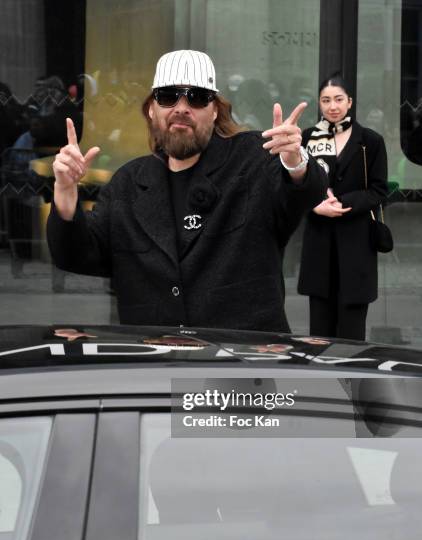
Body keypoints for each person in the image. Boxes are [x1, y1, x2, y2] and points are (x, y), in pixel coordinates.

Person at [47, 49, 327, 332]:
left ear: (215, 109)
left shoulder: (253, 158)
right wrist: (66, 194)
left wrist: (295, 161)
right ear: (151, 109)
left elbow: (303, 194)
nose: (182, 108)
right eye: (168, 97)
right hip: (157, 363)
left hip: (242, 365)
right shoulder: (127, 184)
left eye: (197, 97)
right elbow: (75, 254)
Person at [298, 75, 388, 341]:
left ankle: (351, 382)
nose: (332, 106)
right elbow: (294, 188)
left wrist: (343, 203)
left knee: (351, 336)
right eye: (326, 100)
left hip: (357, 244)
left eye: (338, 99)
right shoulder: (307, 139)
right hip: (320, 244)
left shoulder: (370, 141)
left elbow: (379, 190)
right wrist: (316, 206)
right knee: (319, 334)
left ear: (349, 102)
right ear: (319, 103)